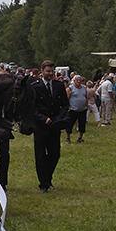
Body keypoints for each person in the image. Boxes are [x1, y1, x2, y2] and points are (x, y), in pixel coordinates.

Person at [31, 60, 69, 193]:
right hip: (41, 126)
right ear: (42, 71)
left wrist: (59, 118)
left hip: (55, 125)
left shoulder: (59, 85)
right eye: (48, 71)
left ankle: (48, 177)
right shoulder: (35, 86)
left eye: (52, 71)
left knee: (55, 154)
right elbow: (32, 107)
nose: (51, 73)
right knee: (40, 155)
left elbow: (64, 104)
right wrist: (43, 118)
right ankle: (43, 183)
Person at [65, 75, 87, 143]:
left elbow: (86, 97)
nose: (78, 81)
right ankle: (68, 138)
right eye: (77, 80)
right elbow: (66, 99)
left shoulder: (84, 88)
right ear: (74, 81)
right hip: (72, 110)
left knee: (82, 124)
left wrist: (86, 105)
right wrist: (67, 107)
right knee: (69, 124)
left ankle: (80, 138)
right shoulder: (70, 88)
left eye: (80, 80)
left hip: (82, 110)